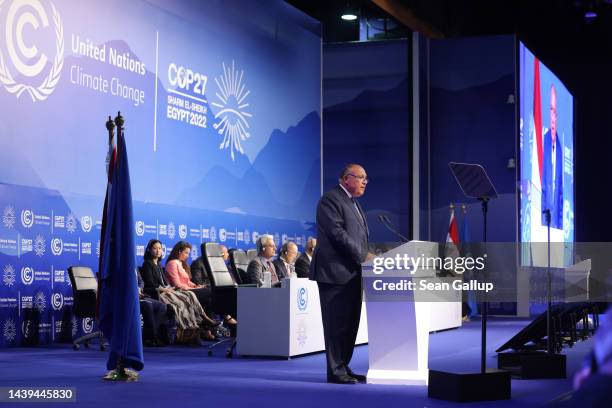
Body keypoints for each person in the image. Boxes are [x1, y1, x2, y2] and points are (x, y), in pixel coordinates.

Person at [310, 164, 374, 384]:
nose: (365, 181)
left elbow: (356, 237)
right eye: (361, 177)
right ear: (347, 179)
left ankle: (344, 366)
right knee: (336, 325)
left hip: (352, 273)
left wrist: (367, 255)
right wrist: (363, 255)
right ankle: (335, 371)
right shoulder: (331, 199)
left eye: (366, 178)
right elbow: (337, 233)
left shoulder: (353, 203)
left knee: (349, 324)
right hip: (334, 273)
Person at [140, 239, 217, 342]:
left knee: (189, 295)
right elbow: (149, 284)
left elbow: (166, 283)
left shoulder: (159, 265)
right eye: (155, 248)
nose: (158, 251)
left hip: (168, 291)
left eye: (160, 248)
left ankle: (199, 322)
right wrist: (165, 289)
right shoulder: (147, 264)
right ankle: (194, 324)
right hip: (159, 293)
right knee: (184, 299)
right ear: (149, 250)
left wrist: (170, 288)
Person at [190, 244, 238, 326]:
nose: (228, 255)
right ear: (221, 254)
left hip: (213, 289)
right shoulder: (198, 263)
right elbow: (198, 282)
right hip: (202, 290)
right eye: (226, 252)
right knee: (216, 294)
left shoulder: (219, 264)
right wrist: (212, 285)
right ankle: (224, 318)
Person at [541, 85, 563, 229]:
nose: (553, 117)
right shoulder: (542, 142)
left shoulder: (561, 148)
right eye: (550, 109)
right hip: (541, 225)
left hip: (557, 226)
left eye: (555, 111)